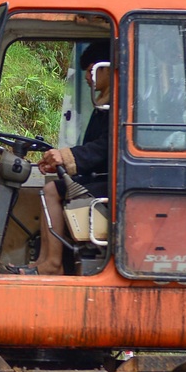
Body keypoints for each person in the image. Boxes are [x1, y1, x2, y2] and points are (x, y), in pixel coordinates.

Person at [38, 41, 110, 274]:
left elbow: (103, 149)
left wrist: (66, 156)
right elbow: (93, 148)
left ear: (106, 67)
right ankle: (42, 261)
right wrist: (62, 162)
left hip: (115, 184)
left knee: (51, 191)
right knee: (51, 186)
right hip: (103, 178)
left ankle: (53, 264)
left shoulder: (118, 106)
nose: (88, 79)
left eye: (91, 71)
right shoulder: (104, 104)